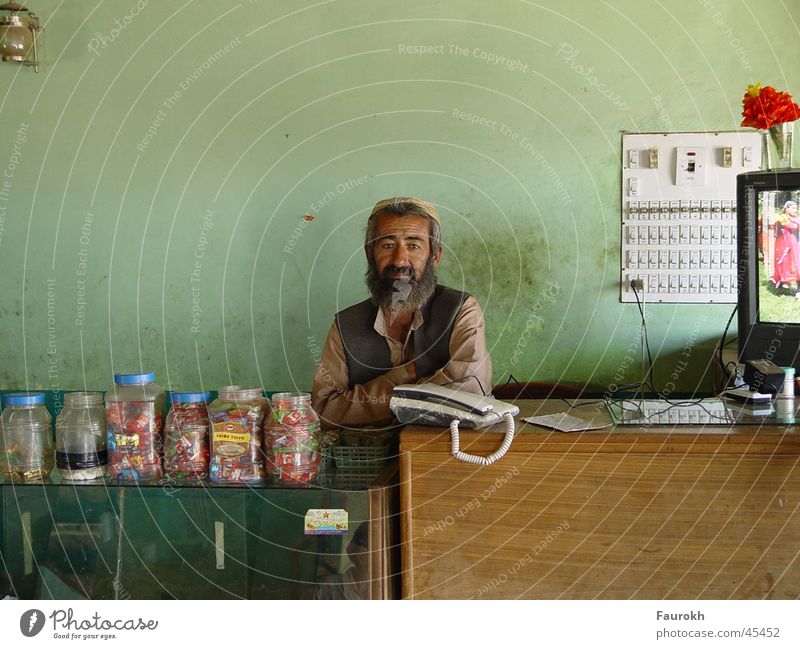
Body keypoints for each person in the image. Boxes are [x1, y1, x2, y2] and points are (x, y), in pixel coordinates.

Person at [311, 196, 492, 429]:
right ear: (369, 253)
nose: (399, 260)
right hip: (367, 458)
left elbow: (470, 390)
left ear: (434, 256)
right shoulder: (346, 325)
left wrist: (367, 400)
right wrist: (410, 374)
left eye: (413, 245)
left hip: (442, 454)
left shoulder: (461, 310)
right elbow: (325, 409)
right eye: (387, 245)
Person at [769, 200, 800, 293]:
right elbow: (791, 226)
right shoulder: (782, 218)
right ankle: (781, 282)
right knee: (784, 262)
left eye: (796, 208)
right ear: (787, 209)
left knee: (796, 263)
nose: (796, 210)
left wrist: (795, 221)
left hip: (795, 243)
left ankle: (798, 286)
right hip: (784, 244)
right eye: (793, 208)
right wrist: (795, 222)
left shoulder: (796, 218)